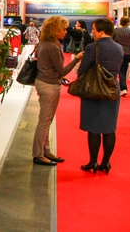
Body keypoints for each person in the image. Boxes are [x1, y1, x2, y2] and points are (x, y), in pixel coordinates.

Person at [33, 15, 84, 166]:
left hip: (44, 82)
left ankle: (45, 150)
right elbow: (62, 71)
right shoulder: (52, 46)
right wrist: (77, 59)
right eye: (63, 29)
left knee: (46, 120)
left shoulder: (45, 43)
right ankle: (38, 153)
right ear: (55, 30)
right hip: (49, 85)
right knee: (45, 121)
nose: (66, 32)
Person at [78, 18, 123, 174]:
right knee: (110, 128)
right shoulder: (119, 47)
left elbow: (82, 70)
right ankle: (106, 162)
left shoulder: (92, 47)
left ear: (102, 31)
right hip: (112, 88)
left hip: (95, 89)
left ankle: (93, 162)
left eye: (94, 29)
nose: (93, 32)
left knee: (94, 127)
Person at [113, 16, 130, 96]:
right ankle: (123, 87)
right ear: (128, 22)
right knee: (125, 70)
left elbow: (113, 40)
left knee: (121, 70)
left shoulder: (116, 30)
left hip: (118, 52)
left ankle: (123, 88)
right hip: (128, 53)